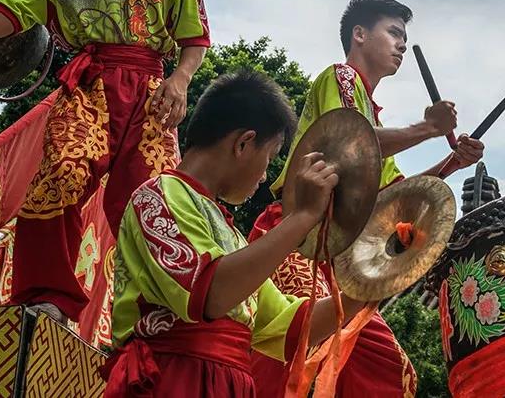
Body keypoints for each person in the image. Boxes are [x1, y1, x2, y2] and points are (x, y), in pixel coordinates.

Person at [0, 0, 209, 323]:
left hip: (152, 92)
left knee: (152, 198)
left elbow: (195, 39)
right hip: (88, 85)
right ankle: (46, 295)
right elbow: (7, 9)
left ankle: (153, 311)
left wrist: (181, 79)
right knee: (63, 173)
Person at [250, 0, 485, 397]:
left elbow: (394, 197)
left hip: (341, 256)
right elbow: (351, 145)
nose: (401, 45)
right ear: (359, 34)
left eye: (405, 39)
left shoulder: (372, 118)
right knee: (285, 353)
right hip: (298, 237)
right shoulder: (341, 77)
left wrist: (451, 163)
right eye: (394, 32)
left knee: (385, 369)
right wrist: (428, 128)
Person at [104, 70, 366, 397]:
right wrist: (302, 216)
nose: (264, 175)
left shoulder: (233, 237)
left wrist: (369, 283)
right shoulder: (157, 196)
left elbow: (292, 328)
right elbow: (212, 293)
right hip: (173, 379)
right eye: (268, 158)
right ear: (243, 143)